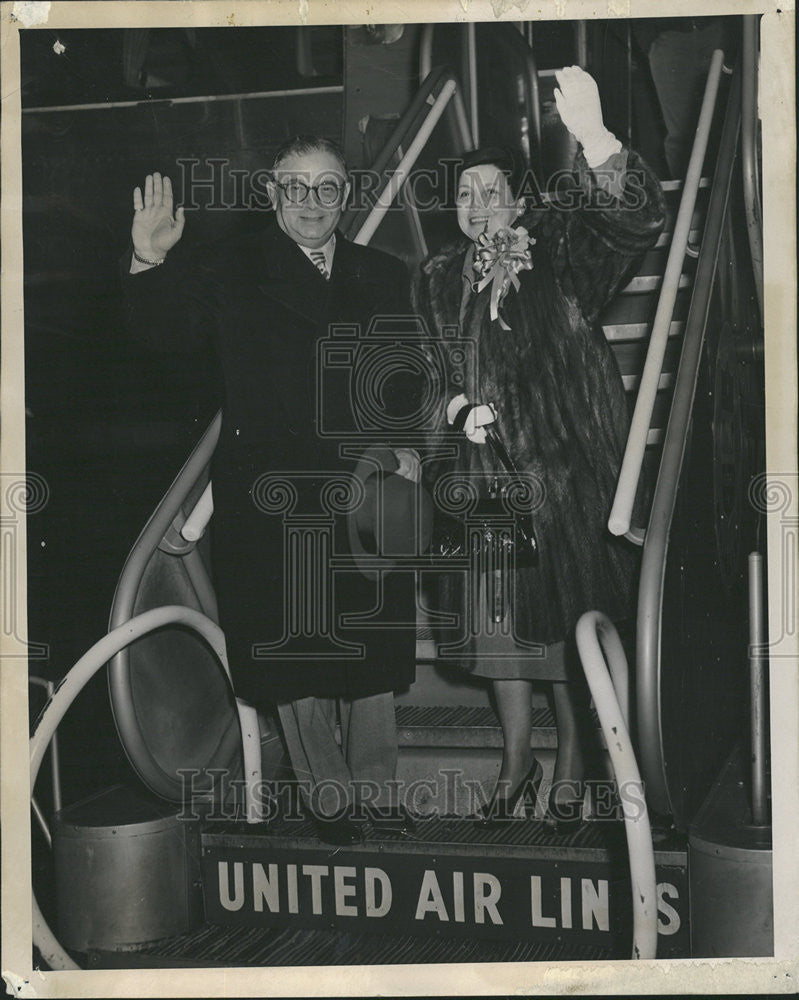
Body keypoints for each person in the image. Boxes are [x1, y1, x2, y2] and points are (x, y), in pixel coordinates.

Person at [123, 136, 422, 846]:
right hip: (271, 495)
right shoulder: (229, 269)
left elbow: (408, 373)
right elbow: (158, 336)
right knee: (295, 658)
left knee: (371, 646)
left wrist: (408, 445)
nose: (311, 204)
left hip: (363, 484)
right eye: (296, 188)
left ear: (345, 195)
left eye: (326, 188)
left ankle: (377, 793)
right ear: (271, 195)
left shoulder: (383, 272)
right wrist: (148, 258)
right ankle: (331, 803)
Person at [414, 67, 665, 827]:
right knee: (500, 633)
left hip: (563, 478)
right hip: (482, 482)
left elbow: (632, 223)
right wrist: (453, 408)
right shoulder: (431, 279)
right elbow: (420, 376)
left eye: (493, 191)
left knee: (568, 621)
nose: (478, 205)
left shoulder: (557, 249)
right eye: (464, 194)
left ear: (519, 201)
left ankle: (573, 764)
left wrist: (594, 139)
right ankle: (516, 758)